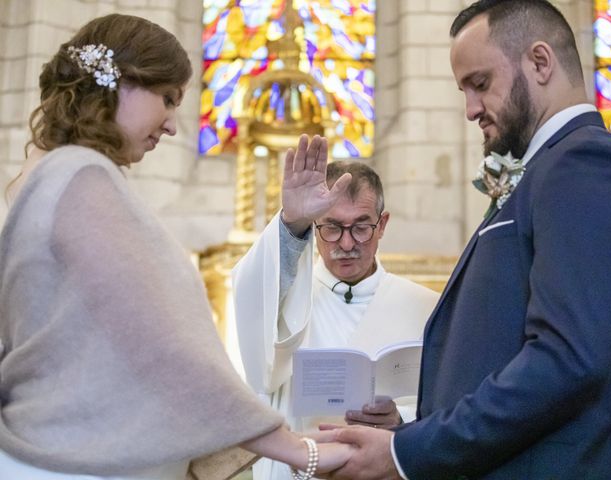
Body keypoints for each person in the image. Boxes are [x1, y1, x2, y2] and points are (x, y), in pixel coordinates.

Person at [0, 13, 353, 480]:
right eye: (166, 99)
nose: (170, 126)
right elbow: (163, 346)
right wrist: (299, 450)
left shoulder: (43, 176)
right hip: (79, 464)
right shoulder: (79, 176)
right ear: (119, 81)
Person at [321, 1, 611, 479]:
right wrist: (411, 430)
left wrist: (407, 454)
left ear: (539, 61)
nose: (470, 109)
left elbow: (568, 359)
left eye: (480, 84)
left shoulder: (584, 163)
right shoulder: (547, 170)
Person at [232, 134, 440, 479]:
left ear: (382, 224)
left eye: (361, 227)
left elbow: (449, 408)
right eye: (331, 227)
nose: (346, 243)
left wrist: (401, 421)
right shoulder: (286, 297)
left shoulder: (425, 308)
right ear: (315, 224)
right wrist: (291, 222)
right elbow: (250, 295)